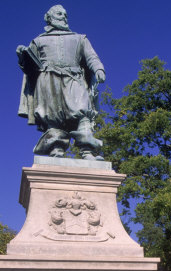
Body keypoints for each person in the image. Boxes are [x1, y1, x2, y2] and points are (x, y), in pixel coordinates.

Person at [17, 5, 106, 160]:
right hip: (48, 80)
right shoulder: (38, 41)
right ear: (49, 17)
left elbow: (91, 57)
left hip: (74, 78)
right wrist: (22, 57)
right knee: (52, 117)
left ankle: (88, 151)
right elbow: (30, 67)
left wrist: (99, 69)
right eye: (59, 14)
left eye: (65, 14)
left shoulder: (79, 38)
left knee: (83, 112)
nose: (64, 16)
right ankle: (55, 149)